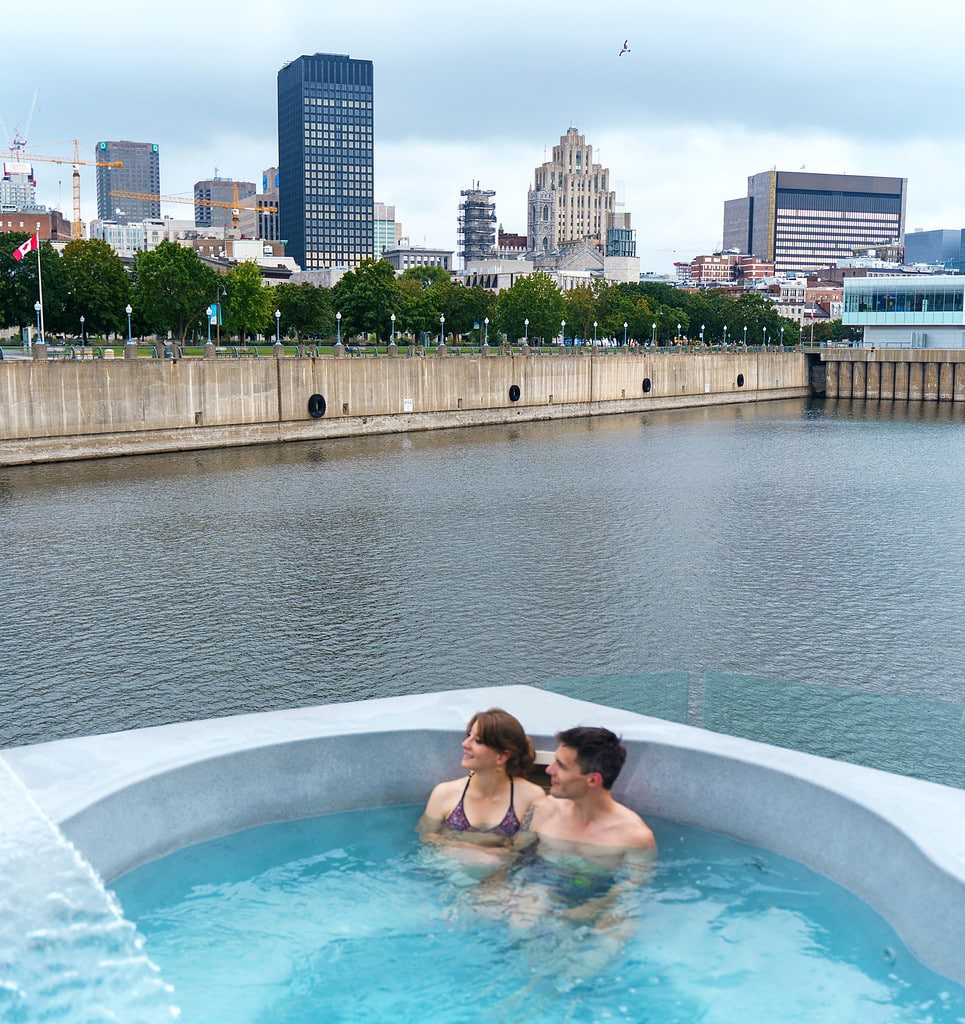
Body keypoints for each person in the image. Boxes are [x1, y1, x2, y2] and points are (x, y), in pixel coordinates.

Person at [419, 707, 546, 850]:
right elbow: (426, 838)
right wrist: (481, 851)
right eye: (469, 735)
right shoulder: (444, 793)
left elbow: (521, 852)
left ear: (501, 756)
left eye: (477, 741)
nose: (465, 744)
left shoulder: (531, 797)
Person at [521, 726, 656, 859]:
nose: (549, 770)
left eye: (561, 766)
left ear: (592, 780)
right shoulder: (542, 810)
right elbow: (513, 856)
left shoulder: (635, 837)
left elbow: (636, 881)